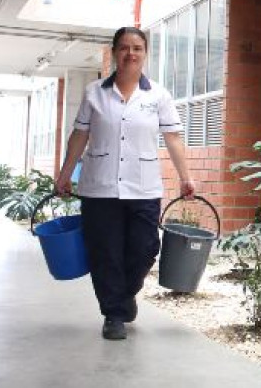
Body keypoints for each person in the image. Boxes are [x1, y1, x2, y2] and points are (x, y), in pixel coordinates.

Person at [55, 26, 195, 341]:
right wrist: (64, 173)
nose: (130, 53)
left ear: (145, 54)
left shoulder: (158, 95)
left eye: (137, 48)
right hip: (99, 186)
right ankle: (114, 315)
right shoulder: (94, 92)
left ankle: (123, 294)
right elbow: (80, 135)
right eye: (124, 47)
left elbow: (173, 138)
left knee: (146, 249)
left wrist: (186, 177)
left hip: (143, 186)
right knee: (105, 252)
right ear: (115, 52)